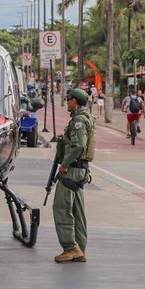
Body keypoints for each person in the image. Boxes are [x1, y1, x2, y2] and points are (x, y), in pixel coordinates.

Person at [52, 88, 94, 263]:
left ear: (74, 101)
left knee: (62, 207)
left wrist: (65, 164)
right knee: (77, 209)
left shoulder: (78, 120)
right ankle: (80, 249)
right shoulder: (86, 118)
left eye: (68, 99)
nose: (67, 103)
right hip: (81, 169)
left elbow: (78, 145)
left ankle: (71, 247)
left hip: (73, 169)